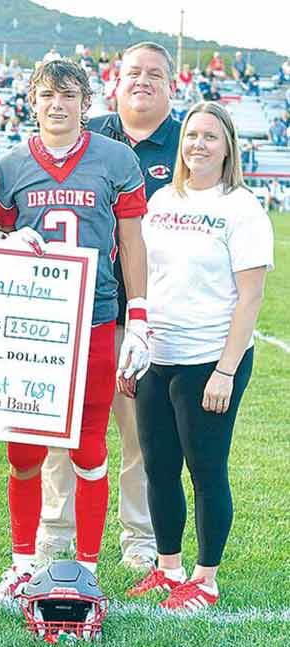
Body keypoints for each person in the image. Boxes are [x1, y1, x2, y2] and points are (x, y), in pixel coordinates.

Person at [0, 59, 151, 602]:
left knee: (89, 447)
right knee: (23, 450)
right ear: (32, 102)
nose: (57, 105)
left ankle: (86, 566)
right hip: (33, 326)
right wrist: (7, 243)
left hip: (96, 318)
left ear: (85, 103)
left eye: (68, 95)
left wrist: (139, 316)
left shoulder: (115, 159)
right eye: (47, 95)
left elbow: (131, 240)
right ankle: (22, 564)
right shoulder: (10, 166)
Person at [38, 42, 181, 572]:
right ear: (114, 82)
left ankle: (139, 535)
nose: (142, 81)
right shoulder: (85, 133)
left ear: (172, 85)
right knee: (62, 427)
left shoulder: (186, 141)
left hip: (150, 311)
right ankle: (56, 529)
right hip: (78, 312)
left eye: (155, 74)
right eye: (133, 72)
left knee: (139, 431)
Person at [126, 101, 273, 611]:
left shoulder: (242, 207)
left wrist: (225, 371)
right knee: (159, 467)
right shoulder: (162, 199)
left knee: (206, 471)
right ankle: (169, 569)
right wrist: (137, 344)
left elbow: (251, 297)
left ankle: (205, 579)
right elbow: (145, 276)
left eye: (210, 136)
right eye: (192, 135)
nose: (198, 145)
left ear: (228, 146)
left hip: (210, 358)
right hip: (158, 356)